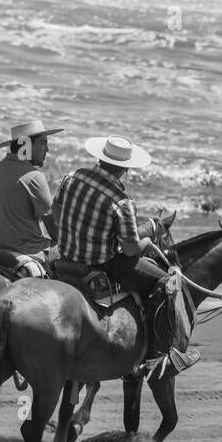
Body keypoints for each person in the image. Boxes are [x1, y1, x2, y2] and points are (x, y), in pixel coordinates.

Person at [52, 134, 196, 374]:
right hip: (102, 265)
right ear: (126, 168)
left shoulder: (72, 177)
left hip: (64, 257)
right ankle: (163, 354)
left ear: (100, 158)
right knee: (165, 282)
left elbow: (56, 213)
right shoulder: (121, 202)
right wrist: (147, 241)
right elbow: (130, 250)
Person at [0, 119, 62, 277]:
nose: (48, 149)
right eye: (43, 143)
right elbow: (54, 229)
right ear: (27, 145)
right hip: (27, 251)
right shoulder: (33, 176)